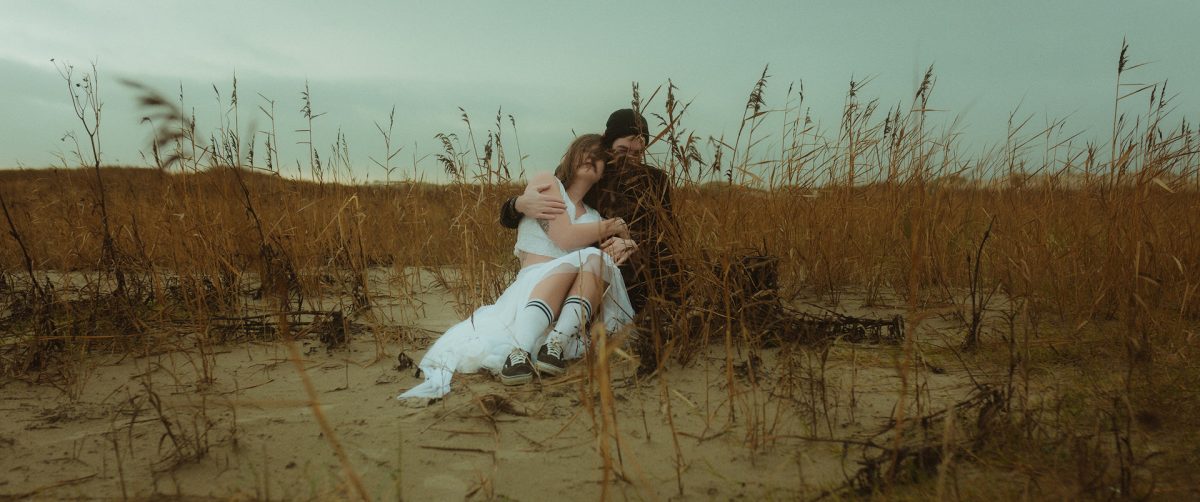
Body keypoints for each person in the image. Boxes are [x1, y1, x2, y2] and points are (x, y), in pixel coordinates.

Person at [399, 134, 638, 400]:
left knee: (598, 260)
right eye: (587, 151)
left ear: (605, 171)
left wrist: (628, 240)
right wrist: (614, 224)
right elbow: (565, 237)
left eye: (602, 157)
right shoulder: (547, 184)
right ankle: (518, 352)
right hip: (530, 288)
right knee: (592, 257)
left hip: (563, 309)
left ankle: (555, 344)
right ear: (572, 155)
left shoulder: (594, 217)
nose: (593, 158)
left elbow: (607, 264)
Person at [500, 109, 679, 373]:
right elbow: (550, 209)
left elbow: (669, 235)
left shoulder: (656, 180)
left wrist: (633, 241)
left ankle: (556, 343)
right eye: (622, 150)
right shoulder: (594, 174)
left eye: (638, 154)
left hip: (626, 271)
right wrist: (516, 204)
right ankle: (530, 348)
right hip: (580, 273)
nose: (631, 159)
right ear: (608, 144)